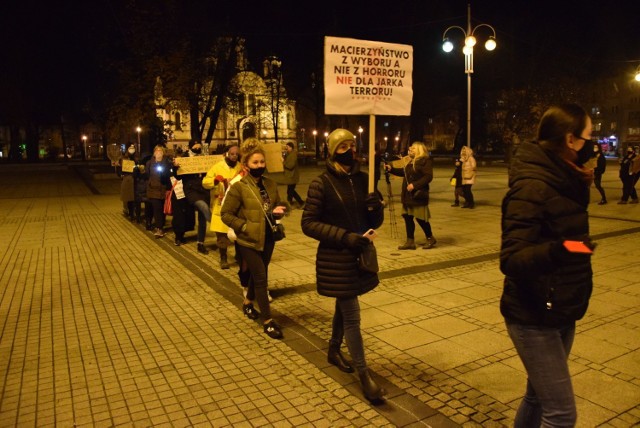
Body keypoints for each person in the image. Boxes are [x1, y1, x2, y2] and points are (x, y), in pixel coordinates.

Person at [500, 104, 596, 427]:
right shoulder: (533, 185)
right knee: (561, 414)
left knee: (538, 398)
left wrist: (572, 248)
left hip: (561, 308)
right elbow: (511, 259)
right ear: (570, 140)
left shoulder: (566, 178)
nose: (592, 145)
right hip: (534, 314)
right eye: (588, 138)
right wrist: (561, 250)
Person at [301, 128, 386, 403]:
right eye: (342, 147)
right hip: (336, 258)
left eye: (352, 145)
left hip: (358, 256)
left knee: (343, 304)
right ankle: (364, 376)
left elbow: (373, 222)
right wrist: (344, 237)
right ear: (331, 150)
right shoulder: (321, 183)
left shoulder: (364, 180)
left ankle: (334, 349)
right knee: (352, 315)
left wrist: (376, 209)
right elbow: (309, 223)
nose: (349, 150)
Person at [221, 143, 287, 339]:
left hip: (268, 237)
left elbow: (280, 204)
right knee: (260, 277)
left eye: (262, 161)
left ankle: (248, 303)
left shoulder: (270, 184)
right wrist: (244, 226)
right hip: (247, 240)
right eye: (255, 162)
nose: (260, 165)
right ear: (246, 165)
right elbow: (226, 214)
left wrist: (281, 209)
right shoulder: (239, 186)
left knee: (258, 274)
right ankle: (267, 321)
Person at [384, 141, 436, 250]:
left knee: (421, 219)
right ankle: (410, 241)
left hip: (418, 195)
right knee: (407, 217)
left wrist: (415, 185)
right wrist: (391, 169)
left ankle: (430, 238)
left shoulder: (425, 161)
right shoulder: (411, 161)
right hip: (408, 196)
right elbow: (404, 173)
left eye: (413, 149)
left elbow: (428, 177)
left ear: (420, 150)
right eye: (410, 149)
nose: (410, 150)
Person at [203, 144, 242, 268]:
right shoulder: (217, 167)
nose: (234, 156)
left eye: (236, 154)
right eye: (232, 154)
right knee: (221, 234)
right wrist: (214, 181)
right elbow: (205, 182)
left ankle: (239, 255)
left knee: (237, 231)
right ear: (227, 154)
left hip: (236, 205)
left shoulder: (241, 168)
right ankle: (223, 258)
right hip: (220, 204)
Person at [174, 140, 212, 253]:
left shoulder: (204, 157)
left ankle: (201, 243)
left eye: (199, 147)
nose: (198, 148)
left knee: (201, 217)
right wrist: (176, 167)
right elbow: (178, 177)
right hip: (191, 190)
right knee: (203, 207)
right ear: (190, 148)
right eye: (195, 147)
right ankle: (215, 223)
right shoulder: (184, 158)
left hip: (203, 189)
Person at [144, 145, 172, 238]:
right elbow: (147, 175)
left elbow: (168, 175)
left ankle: (161, 226)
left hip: (164, 189)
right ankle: (159, 228)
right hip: (153, 190)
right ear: (154, 152)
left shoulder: (167, 162)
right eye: (157, 150)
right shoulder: (149, 163)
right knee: (157, 209)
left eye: (160, 150)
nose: (158, 152)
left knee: (162, 210)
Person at [281, 142, 305, 207]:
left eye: (287, 147)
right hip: (290, 176)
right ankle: (291, 202)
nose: (286, 148)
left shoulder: (293, 155)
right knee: (290, 191)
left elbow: (290, 165)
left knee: (290, 191)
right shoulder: (289, 154)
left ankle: (300, 202)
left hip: (292, 176)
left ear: (291, 147)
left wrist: (283, 162)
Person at [118, 144, 138, 221]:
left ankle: (133, 213)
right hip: (127, 180)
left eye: (133, 148)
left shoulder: (136, 159)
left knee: (134, 199)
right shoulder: (124, 159)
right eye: (130, 148)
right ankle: (129, 212)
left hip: (135, 180)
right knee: (128, 198)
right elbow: (120, 171)